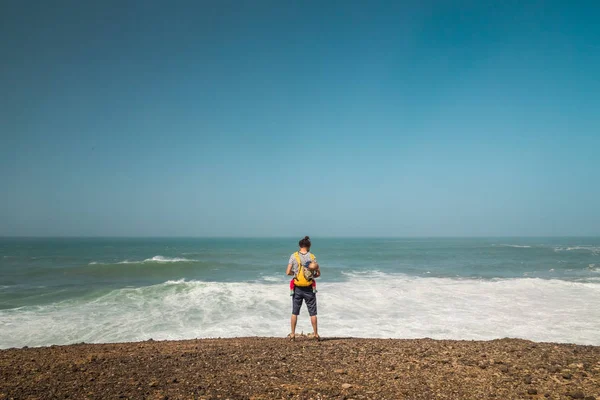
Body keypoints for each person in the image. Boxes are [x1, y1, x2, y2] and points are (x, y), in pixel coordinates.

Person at [286, 236, 321, 341]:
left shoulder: (293, 256)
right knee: (313, 312)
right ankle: (315, 334)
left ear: (300, 246)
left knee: (294, 312)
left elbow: (288, 272)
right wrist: (313, 276)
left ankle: (292, 334)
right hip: (309, 288)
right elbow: (318, 273)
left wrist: (295, 274)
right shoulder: (312, 257)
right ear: (309, 246)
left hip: (297, 288)